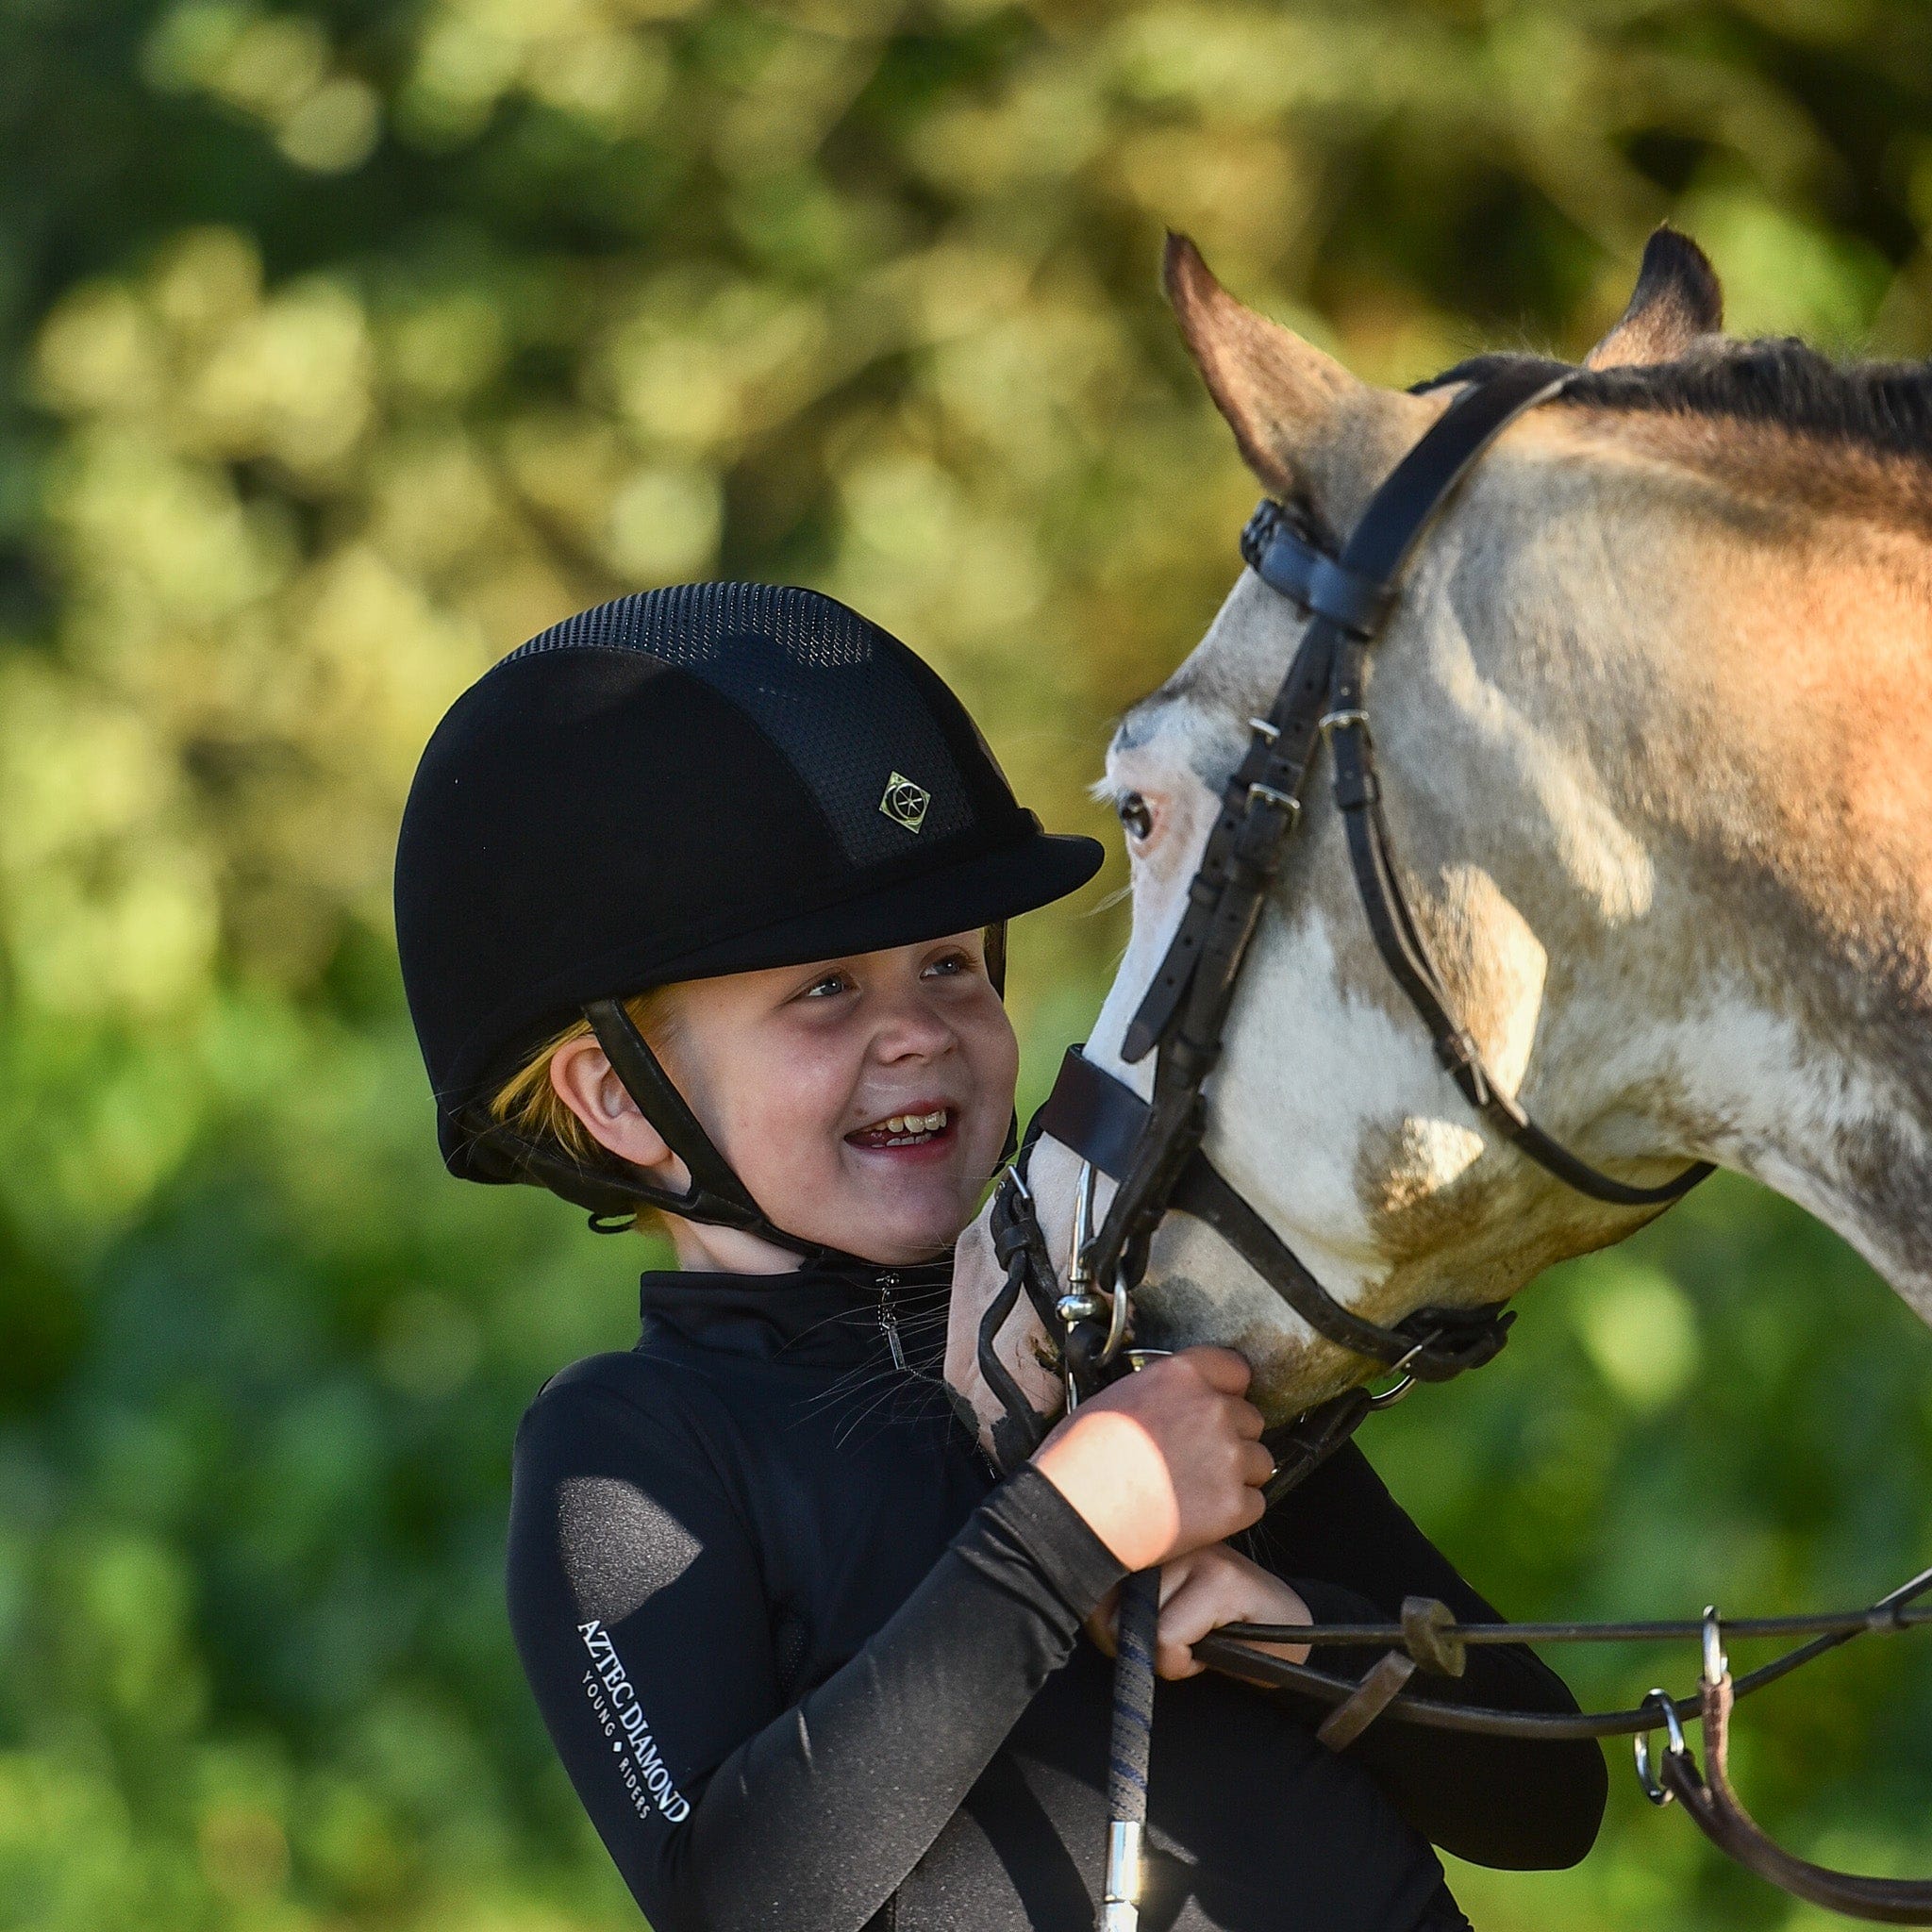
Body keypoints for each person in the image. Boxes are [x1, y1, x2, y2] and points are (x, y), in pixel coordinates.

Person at [392, 581, 1607, 1932]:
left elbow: (1554, 1804)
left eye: (953, 967)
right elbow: (738, 1905)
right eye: (825, 991)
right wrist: (1060, 1540)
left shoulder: (1128, 1332)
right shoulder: (630, 1452)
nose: (919, 1030)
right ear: (619, 1101)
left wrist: (1301, 1639)